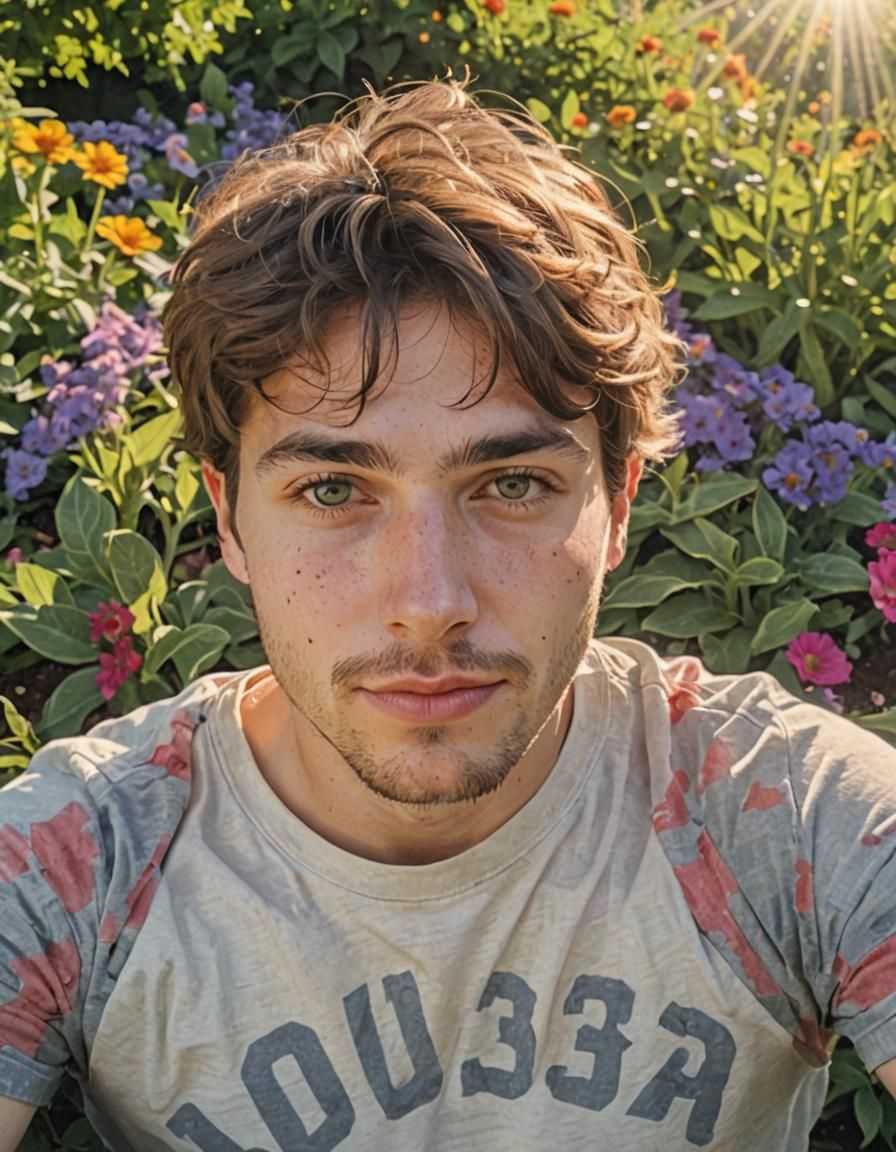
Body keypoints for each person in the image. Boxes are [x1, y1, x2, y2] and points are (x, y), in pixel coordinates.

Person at [1, 77, 895, 1152]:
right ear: (228, 520)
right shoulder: (80, 869)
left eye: (510, 484)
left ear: (615, 506)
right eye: (332, 492)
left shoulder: (779, 821)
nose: (428, 603)